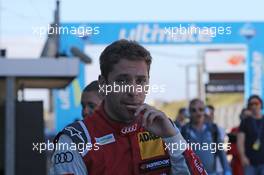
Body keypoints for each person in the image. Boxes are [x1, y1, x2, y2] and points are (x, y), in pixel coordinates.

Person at [50, 40, 207, 175]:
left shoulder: (164, 128)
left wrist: (173, 138)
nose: (133, 91)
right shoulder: (75, 140)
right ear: (104, 85)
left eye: (140, 81)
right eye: (122, 81)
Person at [181, 99, 231, 175]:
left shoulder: (213, 129)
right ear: (189, 113)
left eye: (201, 109)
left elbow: (221, 152)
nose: (198, 112)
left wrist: (227, 171)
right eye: (193, 110)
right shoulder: (184, 130)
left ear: (205, 111)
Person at [237, 95, 264, 175]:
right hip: (250, 162)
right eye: (251, 104)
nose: (254, 106)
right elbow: (240, 141)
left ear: (261, 104)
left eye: (256, 103)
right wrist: (243, 157)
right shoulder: (245, 121)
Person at [227, 108, 252, 175]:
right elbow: (230, 149)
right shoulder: (234, 130)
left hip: (252, 165)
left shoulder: (256, 132)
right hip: (237, 166)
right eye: (244, 116)